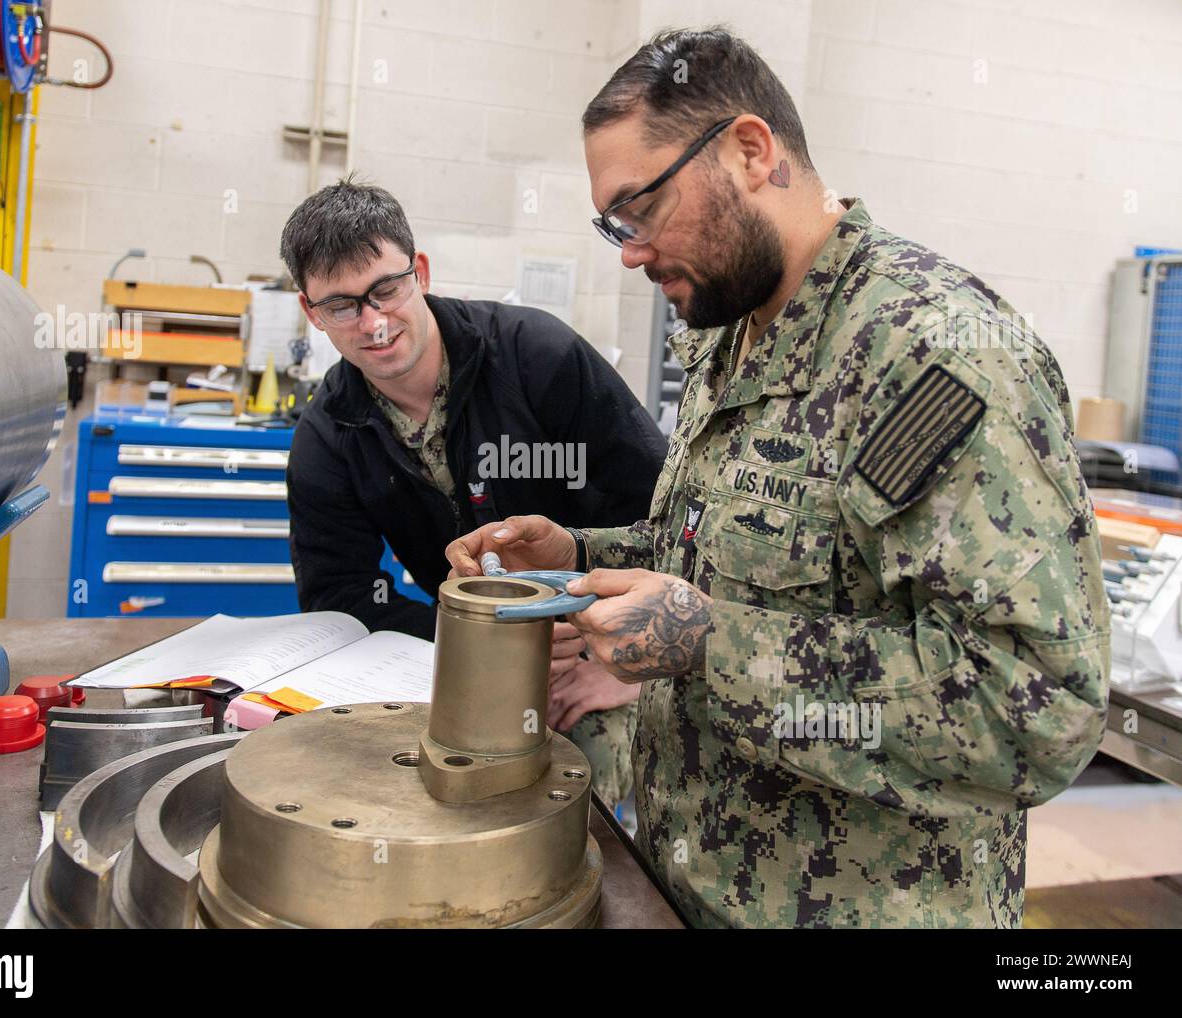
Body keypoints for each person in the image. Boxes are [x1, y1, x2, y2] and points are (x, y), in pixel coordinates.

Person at [446, 28, 1110, 928]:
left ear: (751, 153)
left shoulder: (929, 356)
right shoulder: (733, 335)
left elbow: (1032, 708)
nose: (630, 254)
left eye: (641, 209)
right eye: (613, 225)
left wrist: (708, 647)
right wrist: (577, 555)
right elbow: (728, 559)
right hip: (692, 884)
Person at [280, 178, 668, 807]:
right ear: (312, 312)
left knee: (575, 803)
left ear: (420, 272)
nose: (374, 323)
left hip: (606, 649)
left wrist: (629, 667)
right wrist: (479, 652)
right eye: (342, 305)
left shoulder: (537, 356)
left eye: (386, 289)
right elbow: (339, 601)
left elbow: (674, 518)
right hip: (464, 670)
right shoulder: (328, 435)